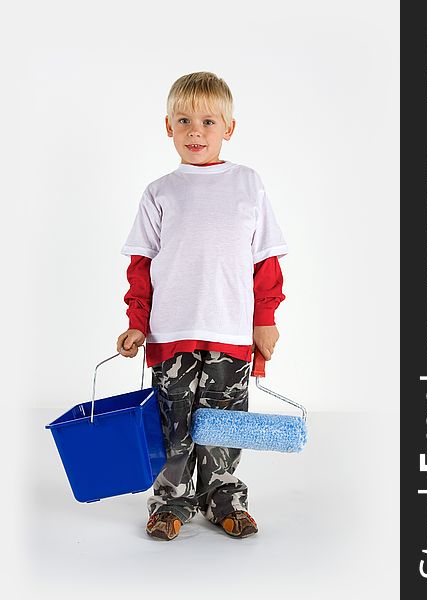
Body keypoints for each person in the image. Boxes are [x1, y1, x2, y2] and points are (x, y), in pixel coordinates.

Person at [116, 71, 288, 541]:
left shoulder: (248, 184)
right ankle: (171, 500)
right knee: (173, 420)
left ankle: (223, 497)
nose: (196, 131)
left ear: (228, 128)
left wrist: (265, 320)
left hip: (231, 330)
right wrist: (136, 323)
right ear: (167, 126)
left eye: (209, 121)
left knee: (225, 419)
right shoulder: (159, 192)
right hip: (170, 332)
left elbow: (265, 263)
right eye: (184, 120)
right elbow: (141, 265)